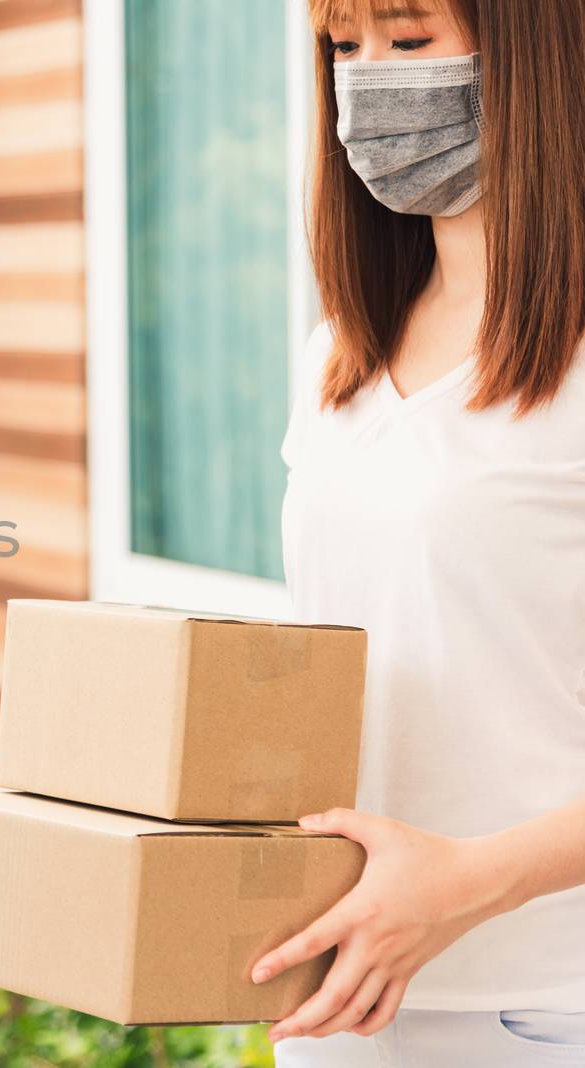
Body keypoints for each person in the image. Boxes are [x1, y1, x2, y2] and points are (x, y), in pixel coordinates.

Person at [244, 0, 585, 1063]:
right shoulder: (334, 361)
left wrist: (463, 886)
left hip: (540, 1005)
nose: (365, 84)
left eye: (406, 39)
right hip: (335, 991)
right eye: (341, 49)